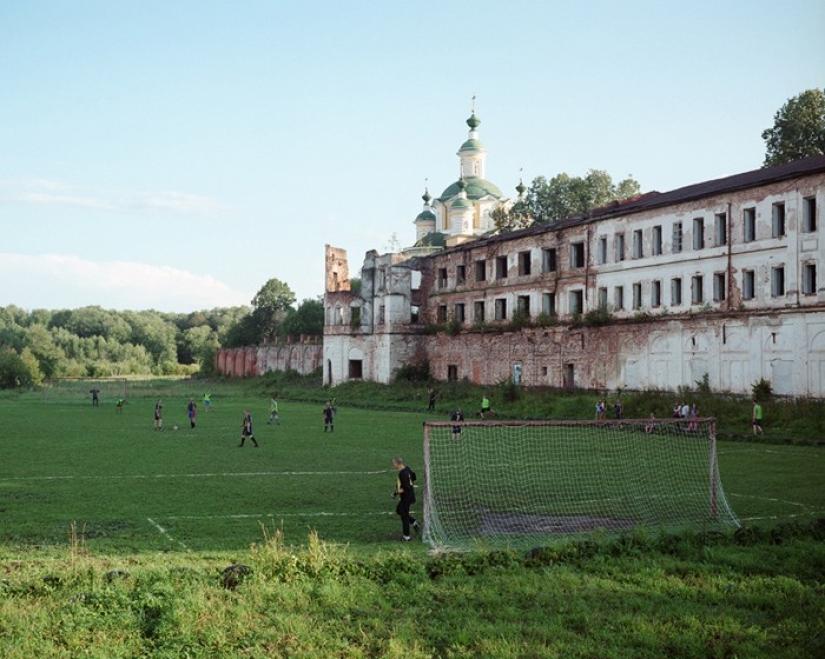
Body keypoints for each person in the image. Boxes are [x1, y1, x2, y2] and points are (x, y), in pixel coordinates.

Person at [392, 456, 420, 541]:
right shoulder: (407, 468)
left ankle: (406, 537)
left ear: (397, 464)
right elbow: (414, 477)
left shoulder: (402, 474)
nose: (393, 465)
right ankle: (414, 522)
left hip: (406, 497)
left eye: (394, 463)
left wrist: (396, 493)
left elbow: (406, 487)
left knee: (404, 516)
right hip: (409, 495)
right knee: (399, 510)